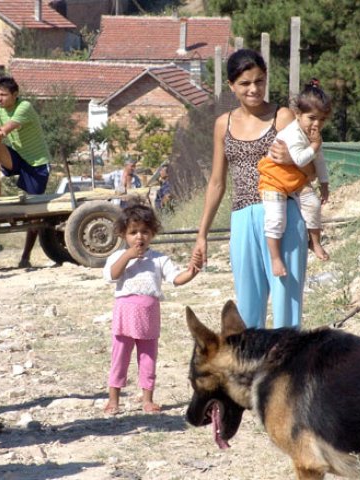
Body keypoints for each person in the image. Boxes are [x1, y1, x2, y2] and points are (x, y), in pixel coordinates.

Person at [191, 49, 311, 329]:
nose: (253, 89)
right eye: (245, 84)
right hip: (243, 218)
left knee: (286, 305)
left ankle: (288, 368)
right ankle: (250, 370)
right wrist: (202, 235)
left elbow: (312, 170)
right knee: (247, 310)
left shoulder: (283, 118)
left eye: (259, 81)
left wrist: (291, 159)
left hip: (284, 214)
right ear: (232, 86)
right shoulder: (224, 124)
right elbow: (217, 182)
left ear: (266, 79)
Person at [102, 203, 202, 415]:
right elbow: (111, 275)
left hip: (149, 316)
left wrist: (192, 271)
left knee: (148, 358)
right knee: (120, 357)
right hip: (124, 317)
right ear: (123, 234)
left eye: (145, 232)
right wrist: (128, 256)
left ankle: (147, 399)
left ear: (152, 233)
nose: (139, 237)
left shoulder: (158, 259)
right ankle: (113, 399)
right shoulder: (118, 257)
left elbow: (176, 278)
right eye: (133, 232)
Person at [258, 79, 332, 277]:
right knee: (276, 218)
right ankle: (275, 258)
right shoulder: (292, 133)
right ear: (298, 115)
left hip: (294, 181)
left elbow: (319, 161)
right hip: (274, 180)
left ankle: (315, 242)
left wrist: (324, 183)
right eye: (312, 118)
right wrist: (314, 146)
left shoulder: (313, 136)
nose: (316, 124)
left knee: (313, 203)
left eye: (322, 120)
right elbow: (299, 159)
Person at [0, 76, 51, 268]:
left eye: (3, 95)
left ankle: (25, 256)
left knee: (34, 213)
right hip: (17, 157)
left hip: (37, 163)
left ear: (15, 95)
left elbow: (4, 131)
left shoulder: (24, 107)